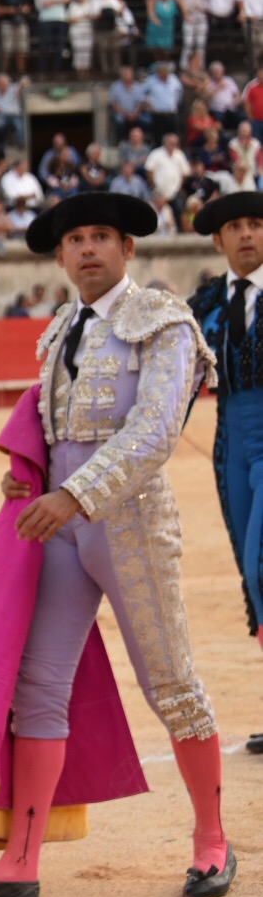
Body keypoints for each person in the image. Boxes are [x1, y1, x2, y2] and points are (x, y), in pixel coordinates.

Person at [0, 192, 234, 897]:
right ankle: (20, 864)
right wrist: (28, 478)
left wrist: (75, 494)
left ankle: (212, 839)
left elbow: (152, 434)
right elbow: (50, 428)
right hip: (59, 522)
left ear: (128, 250)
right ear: (60, 256)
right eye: (75, 240)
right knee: (37, 687)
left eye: (102, 238)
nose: (88, 249)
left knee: (171, 681)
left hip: (130, 520)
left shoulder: (165, 321)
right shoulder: (57, 332)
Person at [188, 194, 263, 756]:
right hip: (228, 447)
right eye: (234, 227)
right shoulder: (208, 302)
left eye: (256, 224)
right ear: (218, 241)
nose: (246, 235)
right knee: (252, 578)